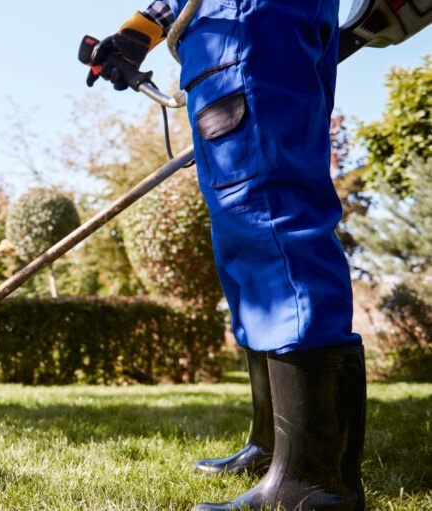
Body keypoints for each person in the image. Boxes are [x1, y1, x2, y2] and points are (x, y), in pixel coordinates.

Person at [86, 2, 367, 510]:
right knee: (244, 238)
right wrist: (137, 33)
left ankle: (311, 480)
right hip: (231, 26)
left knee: (267, 214)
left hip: (245, 21)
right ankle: (275, 446)